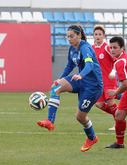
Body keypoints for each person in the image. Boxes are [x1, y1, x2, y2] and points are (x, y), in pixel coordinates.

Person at [37, 24, 103, 152]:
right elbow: (69, 65)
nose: (69, 39)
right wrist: (60, 78)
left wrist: (80, 74)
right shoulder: (72, 48)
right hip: (81, 80)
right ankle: (50, 121)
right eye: (67, 37)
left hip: (93, 86)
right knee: (57, 86)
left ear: (79, 35)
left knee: (80, 117)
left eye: (71, 36)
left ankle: (92, 138)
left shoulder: (85, 48)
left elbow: (89, 65)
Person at [92, 25, 121, 130]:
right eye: (96, 34)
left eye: (100, 34)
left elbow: (116, 60)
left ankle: (118, 122)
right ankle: (119, 116)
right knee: (98, 104)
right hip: (99, 82)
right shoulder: (92, 49)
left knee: (110, 102)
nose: (98, 36)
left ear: (104, 36)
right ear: (93, 36)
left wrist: (113, 71)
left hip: (109, 80)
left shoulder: (107, 48)